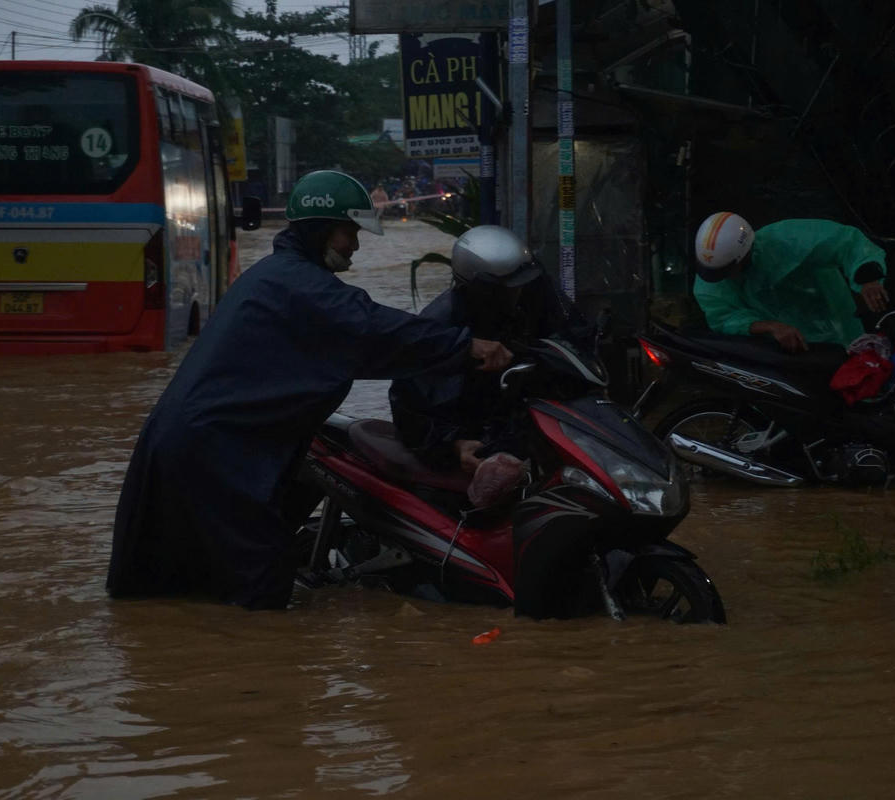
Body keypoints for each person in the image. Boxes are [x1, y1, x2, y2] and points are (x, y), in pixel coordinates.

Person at [106, 170, 512, 609]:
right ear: (321, 229)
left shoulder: (279, 276)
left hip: (205, 442)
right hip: (214, 450)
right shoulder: (302, 288)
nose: (354, 246)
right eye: (348, 233)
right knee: (258, 582)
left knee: (192, 585)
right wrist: (465, 346)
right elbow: (376, 331)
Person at [389, 225, 590, 476]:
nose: (517, 293)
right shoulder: (441, 329)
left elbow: (573, 335)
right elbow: (409, 404)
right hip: (474, 440)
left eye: (521, 285)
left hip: (531, 422)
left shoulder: (536, 296)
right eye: (508, 288)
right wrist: (454, 445)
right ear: (483, 289)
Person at [691, 211, 889, 353]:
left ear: (745, 253)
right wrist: (770, 327)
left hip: (838, 322)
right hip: (782, 350)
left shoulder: (786, 240)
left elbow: (845, 242)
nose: (723, 277)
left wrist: (868, 278)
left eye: (727, 269)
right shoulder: (709, 281)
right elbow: (723, 318)